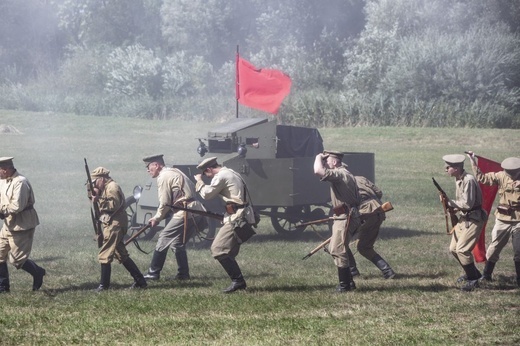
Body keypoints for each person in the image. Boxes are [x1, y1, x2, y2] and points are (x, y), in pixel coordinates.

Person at [194, 157, 256, 293]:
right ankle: (238, 281)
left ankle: (238, 281)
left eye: (205, 174)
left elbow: (207, 194)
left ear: (209, 169)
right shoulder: (231, 172)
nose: (207, 177)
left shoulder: (221, 175)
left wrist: (199, 181)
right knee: (229, 252)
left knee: (218, 249)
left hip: (237, 217)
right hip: (237, 214)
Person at [141, 154, 207, 281]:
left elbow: (165, 202)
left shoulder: (164, 176)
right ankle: (183, 274)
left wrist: (157, 218)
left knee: (164, 237)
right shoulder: (174, 171)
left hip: (185, 212)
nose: (148, 170)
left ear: (156, 165)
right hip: (196, 210)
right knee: (177, 243)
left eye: (149, 167)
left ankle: (153, 273)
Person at [89, 167, 147, 292]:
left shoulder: (112, 187)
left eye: (95, 181)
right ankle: (140, 281)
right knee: (121, 254)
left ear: (102, 179)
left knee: (105, 254)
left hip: (115, 224)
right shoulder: (106, 187)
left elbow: (114, 205)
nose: (94, 184)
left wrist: (98, 199)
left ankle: (104, 285)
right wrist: (96, 193)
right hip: (112, 223)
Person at [467, 153, 520, 287]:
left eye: (513, 173)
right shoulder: (500, 176)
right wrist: (473, 162)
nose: (510, 175)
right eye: (508, 172)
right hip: (503, 219)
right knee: (494, 247)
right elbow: (482, 178)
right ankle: (487, 275)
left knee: (518, 250)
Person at [314, 150, 361, 292]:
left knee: (337, 249)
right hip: (345, 216)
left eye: (327, 162)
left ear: (334, 162)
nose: (325, 164)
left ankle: (344, 286)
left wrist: (317, 157)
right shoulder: (345, 173)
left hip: (345, 217)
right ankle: (349, 283)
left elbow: (317, 171)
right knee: (340, 248)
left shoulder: (340, 174)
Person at [441, 154, 487, 291]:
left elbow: (467, 204)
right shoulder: (458, 178)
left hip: (474, 218)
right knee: (453, 249)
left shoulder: (469, 180)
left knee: (462, 249)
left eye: (448, 167)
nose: (446, 170)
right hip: (464, 218)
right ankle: (473, 274)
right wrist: (452, 207)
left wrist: (448, 201)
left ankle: (473, 280)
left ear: (456, 168)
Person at [0, 156, 46, 292]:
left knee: (17, 260)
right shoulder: (3, 181)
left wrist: (1, 211)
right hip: (8, 224)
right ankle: (3, 288)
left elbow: (17, 206)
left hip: (22, 224)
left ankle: (38, 272)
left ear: (6, 169)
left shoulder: (20, 182)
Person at [347, 175, 396, 280]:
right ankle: (387, 271)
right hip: (379, 212)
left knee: (341, 243)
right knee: (364, 247)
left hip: (365, 214)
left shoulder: (342, 181)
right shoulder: (361, 178)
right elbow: (379, 193)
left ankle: (352, 272)